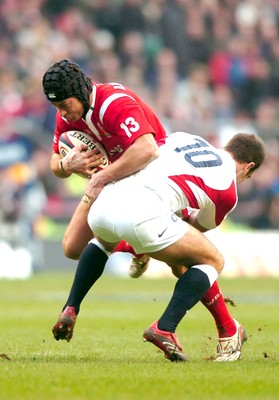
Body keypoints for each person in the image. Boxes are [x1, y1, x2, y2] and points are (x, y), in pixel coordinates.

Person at [43, 59, 249, 361]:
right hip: (123, 188)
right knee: (72, 246)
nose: (61, 113)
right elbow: (54, 164)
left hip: (138, 176)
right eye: (56, 107)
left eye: (64, 105)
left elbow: (148, 149)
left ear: (81, 91)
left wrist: (102, 176)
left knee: (177, 260)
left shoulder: (115, 103)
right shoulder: (68, 118)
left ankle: (226, 328)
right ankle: (161, 316)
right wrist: (65, 165)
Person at [52, 131, 265, 362]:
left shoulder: (186, 137)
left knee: (104, 241)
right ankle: (165, 327)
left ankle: (70, 308)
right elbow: (198, 227)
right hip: (143, 215)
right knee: (212, 260)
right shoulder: (228, 190)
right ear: (249, 167)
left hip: (104, 201)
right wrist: (178, 215)